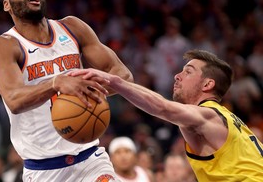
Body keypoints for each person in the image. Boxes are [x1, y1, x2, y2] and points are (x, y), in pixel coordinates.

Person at [0, 0, 133, 182]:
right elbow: (14, 99)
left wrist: (86, 90)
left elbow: (123, 75)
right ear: (7, 5)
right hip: (43, 169)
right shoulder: (4, 45)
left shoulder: (72, 28)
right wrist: (56, 83)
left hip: (91, 159)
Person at [71, 49, 263, 182]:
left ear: (207, 85)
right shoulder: (230, 120)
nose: (177, 76)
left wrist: (115, 81)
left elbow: (162, 108)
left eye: (188, 72)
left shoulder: (208, 115)